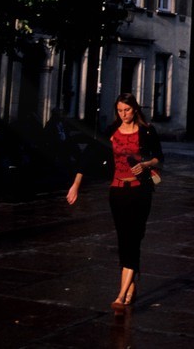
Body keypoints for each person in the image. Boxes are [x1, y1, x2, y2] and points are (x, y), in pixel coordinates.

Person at [66, 93, 162, 311]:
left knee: (134, 237)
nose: (123, 114)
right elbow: (88, 156)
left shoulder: (147, 131)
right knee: (123, 239)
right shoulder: (110, 132)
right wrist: (76, 184)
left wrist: (146, 164)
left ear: (135, 109)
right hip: (117, 192)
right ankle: (130, 285)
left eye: (127, 110)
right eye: (119, 110)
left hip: (140, 192)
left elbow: (159, 157)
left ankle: (121, 295)